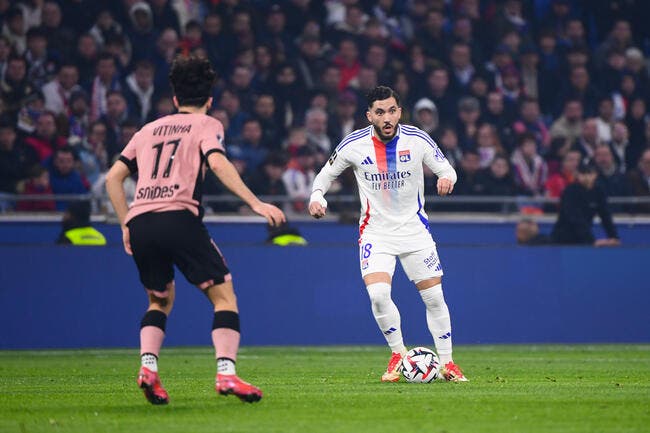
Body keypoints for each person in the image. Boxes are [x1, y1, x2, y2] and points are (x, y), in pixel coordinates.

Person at [105, 55, 286, 405]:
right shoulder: (207, 124)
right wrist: (255, 202)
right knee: (224, 298)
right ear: (210, 100)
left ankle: (148, 368)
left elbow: (114, 177)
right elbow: (216, 160)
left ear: (174, 99)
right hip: (179, 217)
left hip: (141, 220)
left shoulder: (147, 130)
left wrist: (126, 221)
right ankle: (227, 375)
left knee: (159, 299)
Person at [308, 86, 467, 382]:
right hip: (376, 233)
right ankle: (398, 354)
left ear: (399, 112)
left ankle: (448, 363)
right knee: (379, 294)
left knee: (434, 298)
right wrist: (317, 197)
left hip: (415, 231)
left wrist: (446, 178)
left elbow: (447, 169)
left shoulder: (417, 138)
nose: (387, 117)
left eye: (392, 110)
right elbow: (325, 175)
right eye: (380, 112)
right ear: (369, 116)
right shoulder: (353, 144)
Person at [550, 163, 620, 246]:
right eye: (583, 173)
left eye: (589, 173)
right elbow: (574, 217)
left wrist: (614, 237)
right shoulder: (570, 191)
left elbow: (605, 216)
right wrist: (591, 240)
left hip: (584, 239)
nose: (586, 177)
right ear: (577, 175)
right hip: (564, 239)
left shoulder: (598, 192)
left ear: (595, 175)